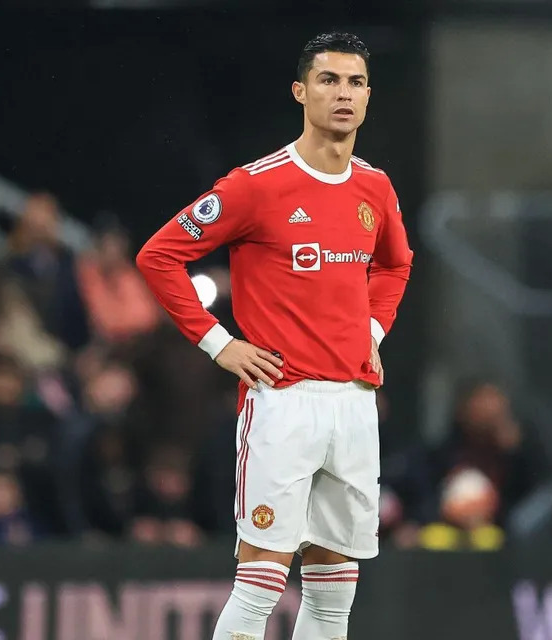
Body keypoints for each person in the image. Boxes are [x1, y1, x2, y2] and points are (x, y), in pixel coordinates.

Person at [136, 32, 413, 640]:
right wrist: (220, 344)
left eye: (356, 82)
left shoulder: (376, 187)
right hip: (281, 400)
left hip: (354, 403)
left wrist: (372, 329)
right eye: (329, 80)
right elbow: (159, 256)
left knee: (334, 586)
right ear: (300, 91)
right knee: (261, 580)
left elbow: (395, 264)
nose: (343, 94)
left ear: (369, 96)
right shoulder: (256, 185)